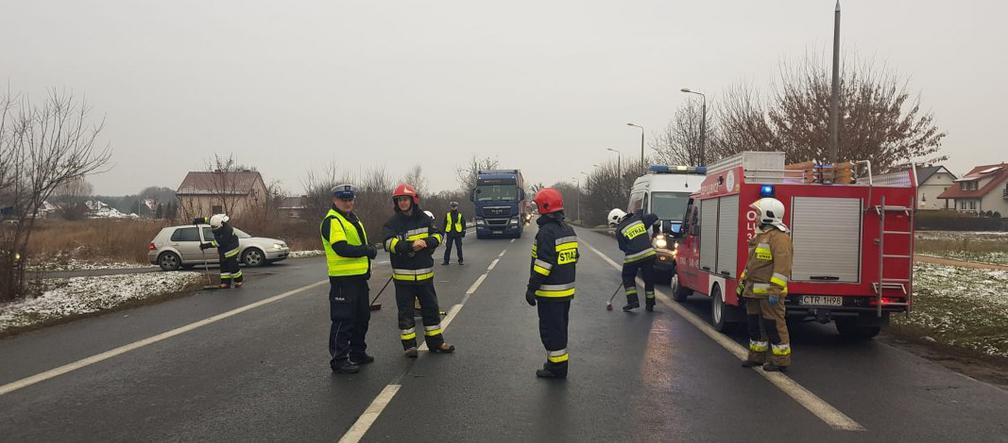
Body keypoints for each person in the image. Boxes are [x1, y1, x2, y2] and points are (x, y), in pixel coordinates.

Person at [382, 184, 455, 357]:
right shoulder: (392, 223)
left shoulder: (424, 219)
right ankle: (409, 346)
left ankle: (436, 343)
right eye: (400, 200)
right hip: (403, 278)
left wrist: (427, 242)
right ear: (396, 202)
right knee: (406, 312)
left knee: (430, 310)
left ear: (412, 200)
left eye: (405, 199)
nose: (403, 203)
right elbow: (387, 243)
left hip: (425, 275)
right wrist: (409, 246)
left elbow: (438, 235)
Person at [321, 184, 378, 374]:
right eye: (343, 199)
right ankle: (339, 359)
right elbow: (341, 248)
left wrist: (367, 248)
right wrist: (366, 250)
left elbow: (357, 242)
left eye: (350, 199)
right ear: (335, 200)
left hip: (358, 278)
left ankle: (357, 352)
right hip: (342, 280)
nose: (348, 203)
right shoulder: (333, 221)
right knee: (343, 320)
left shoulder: (352, 218)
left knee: (362, 317)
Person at [526, 188, 578, 379]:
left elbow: (543, 265)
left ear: (543, 206)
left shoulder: (546, 232)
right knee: (560, 329)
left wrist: (531, 288)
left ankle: (557, 368)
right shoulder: (568, 229)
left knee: (550, 331)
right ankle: (557, 364)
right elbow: (574, 257)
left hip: (550, 293)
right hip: (565, 292)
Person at [738, 197, 794, 372]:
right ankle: (756, 356)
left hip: (770, 293)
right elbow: (751, 265)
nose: (756, 217)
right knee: (754, 325)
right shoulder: (761, 235)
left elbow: (782, 267)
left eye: (759, 213)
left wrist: (775, 290)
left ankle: (781, 360)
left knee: (774, 325)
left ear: (769, 215)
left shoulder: (780, 238)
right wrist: (741, 286)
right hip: (753, 292)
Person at [608, 208, 659, 312]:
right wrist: (655, 231)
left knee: (627, 276)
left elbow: (623, 247)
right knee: (648, 278)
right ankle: (650, 304)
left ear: (617, 219)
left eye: (614, 224)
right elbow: (654, 217)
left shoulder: (619, 230)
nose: (615, 226)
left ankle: (633, 301)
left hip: (633, 256)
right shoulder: (638, 218)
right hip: (649, 253)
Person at [193, 213, 243, 289]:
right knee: (223, 266)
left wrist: (206, 245)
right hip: (223, 249)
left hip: (231, 249)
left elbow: (220, 242)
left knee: (233, 266)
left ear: (221, 225)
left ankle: (238, 281)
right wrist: (199, 220)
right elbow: (207, 220)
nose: (213, 229)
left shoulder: (227, 230)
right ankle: (225, 283)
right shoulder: (215, 221)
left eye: (215, 227)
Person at [442, 201, 465, 265]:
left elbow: (463, 223)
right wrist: (443, 232)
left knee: (459, 248)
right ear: (451, 207)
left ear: (457, 207)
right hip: (450, 233)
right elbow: (445, 224)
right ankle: (446, 261)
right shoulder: (448, 214)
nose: (453, 208)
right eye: (452, 206)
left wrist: (463, 232)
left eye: (455, 206)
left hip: (458, 233)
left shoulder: (460, 215)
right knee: (448, 247)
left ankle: (460, 260)